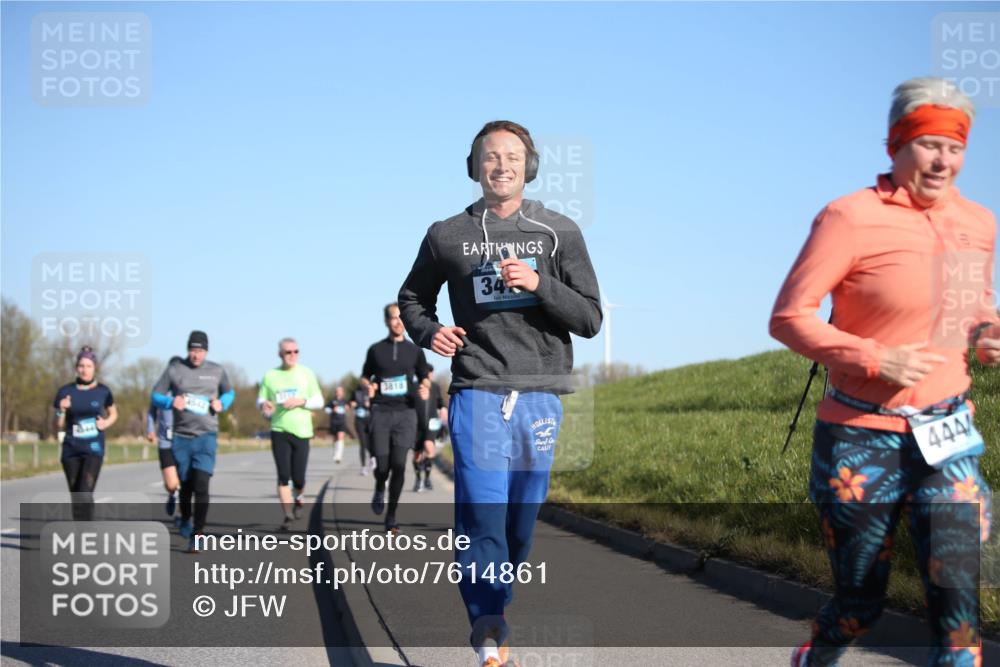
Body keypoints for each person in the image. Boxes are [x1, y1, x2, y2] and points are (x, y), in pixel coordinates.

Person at [770, 78, 999, 667]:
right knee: (859, 604)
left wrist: (986, 334)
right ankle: (814, 656)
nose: (943, 160)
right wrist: (874, 356)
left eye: (956, 147)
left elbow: (974, 310)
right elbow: (789, 318)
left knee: (958, 611)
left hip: (947, 436)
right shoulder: (849, 217)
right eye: (928, 143)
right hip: (859, 436)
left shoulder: (979, 224)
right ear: (895, 145)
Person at [398, 120, 601, 667]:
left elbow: (590, 318)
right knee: (480, 516)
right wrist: (428, 330)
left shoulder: (560, 232)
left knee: (520, 522)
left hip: (540, 393)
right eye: (491, 156)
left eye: (513, 156)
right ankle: (488, 625)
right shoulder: (447, 234)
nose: (502, 165)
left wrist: (540, 284)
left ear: (529, 166)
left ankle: (499, 596)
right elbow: (412, 298)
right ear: (475, 167)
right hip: (478, 389)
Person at [151, 331, 235, 553]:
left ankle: (198, 533)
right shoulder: (175, 370)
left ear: (206, 351)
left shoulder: (216, 371)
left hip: (206, 436)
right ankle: (186, 518)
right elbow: (155, 395)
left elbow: (229, 393)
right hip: (181, 437)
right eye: (193, 350)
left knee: (202, 484)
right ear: (187, 349)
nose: (196, 355)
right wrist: (171, 401)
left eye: (200, 351)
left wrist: (222, 403)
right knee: (186, 487)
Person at [362, 303, 431, 533]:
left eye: (401, 318)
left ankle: (391, 516)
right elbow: (365, 376)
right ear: (386, 321)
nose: (398, 322)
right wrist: (369, 385)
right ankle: (380, 486)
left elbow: (425, 377)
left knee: (400, 465)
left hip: (406, 414)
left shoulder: (414, 350)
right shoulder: (375, 350)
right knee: (382, 467)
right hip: (381, 412)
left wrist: (425, 387)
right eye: (393, 318)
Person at [258, 337, 324, 530]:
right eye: (288, 352)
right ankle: (287, 515)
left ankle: (300, 496)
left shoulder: (306, 374)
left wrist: (301, 401)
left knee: (299, 478)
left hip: (302, 431)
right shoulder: (271, 375)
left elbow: (319, 401)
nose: (292, 355)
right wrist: (264, 407)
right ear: (280, 354)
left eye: (296, 351)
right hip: (279, 429)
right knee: (283, 475)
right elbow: (262, 401)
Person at [53, 346, 118, 521]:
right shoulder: (65, 392)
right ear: (76, 367)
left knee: (84, 491)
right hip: (71, 449)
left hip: (94, 449)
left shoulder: (103, 391)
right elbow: (58, 425)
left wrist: (105, 423)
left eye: (88, 366)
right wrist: (61, 410)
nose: (84, 370)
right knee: (76, 495)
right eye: (81, 365)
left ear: (94, 368)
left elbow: (113, 414)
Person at [146, 356, 182, 519]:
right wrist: (150, 430)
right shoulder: (159, 391)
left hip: (184, 440)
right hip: (165, 442)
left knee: (185, 481)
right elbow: (151, 412)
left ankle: (183, 514)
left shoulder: (186, 391)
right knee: (171, 483)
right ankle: (172, 494)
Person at [412, 364, 446, 492]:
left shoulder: (435, 387)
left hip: (431, 423)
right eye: (427, 373)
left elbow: (440, 402)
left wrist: (443, 408)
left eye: (431, 373)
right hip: (415, 424)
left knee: (429, 447)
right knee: (417, 455)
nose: (429, 375)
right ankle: (418, 479)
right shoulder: (413, 387)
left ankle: (427, 478)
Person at [351, 378, 375, 475]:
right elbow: (351, 402)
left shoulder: (372, 390)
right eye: (363, 380)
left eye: (366, 380)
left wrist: (370, 404)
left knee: (371, 442)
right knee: (362, 443)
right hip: (359, 419)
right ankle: (363, 466)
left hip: (370, 419)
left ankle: (373, 459)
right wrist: (353, 404)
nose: (364, 382)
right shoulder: (356, 391)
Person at [324, 386, 348, 464]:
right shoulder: (332, 401)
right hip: (334, 422)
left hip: (342, 422)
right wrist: (332, 410)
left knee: (340, 436)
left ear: (343, 392)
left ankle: (339, 455)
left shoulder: (345, 401)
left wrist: (348, 408)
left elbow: (350, 407)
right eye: (337, 391)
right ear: (335, 392)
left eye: (340, 391)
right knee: (335, 438)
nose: (338, 392)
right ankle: (335, 452)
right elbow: (326, 409)